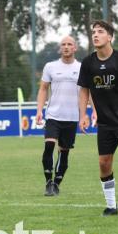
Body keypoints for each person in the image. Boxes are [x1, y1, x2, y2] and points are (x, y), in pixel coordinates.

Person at [77, 20, 118, 216]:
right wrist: (83, 115)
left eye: (100, 32)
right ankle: (111, 206)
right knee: (104, 163)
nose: (95, 35)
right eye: (93, 32)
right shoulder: (88, 63)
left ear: (110, 37)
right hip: (105, 123)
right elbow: (84, 90)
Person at [35, 35, 81, 196]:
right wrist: (39, 110)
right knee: (49, 147)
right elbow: (43, 89)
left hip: (72, 117)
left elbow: (86, 93)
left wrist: (89, 113)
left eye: (69, 44)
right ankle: (48, 182)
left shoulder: (81, 68)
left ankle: (56, 183)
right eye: (63, 44)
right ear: (60, 48)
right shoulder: (50, 66)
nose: (66, 47)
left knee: (64, 152)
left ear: (75, 48)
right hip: (53, 115)